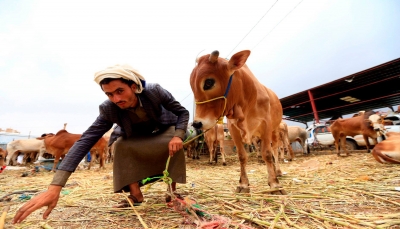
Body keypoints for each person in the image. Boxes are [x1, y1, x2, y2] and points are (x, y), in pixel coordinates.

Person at [13, 64, 189, 223]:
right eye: (109, 94)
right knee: (120, 145)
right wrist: (55, 187)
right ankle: (135, 195)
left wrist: (178, 136)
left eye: (120, 91)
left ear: (133, 87)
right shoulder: (108, 108)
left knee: (171, 143)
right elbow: (85, 141)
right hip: (135, 134)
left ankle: (171, 193)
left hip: (164, 127)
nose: (115, 99)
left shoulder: (154, 91)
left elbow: (182, 112)